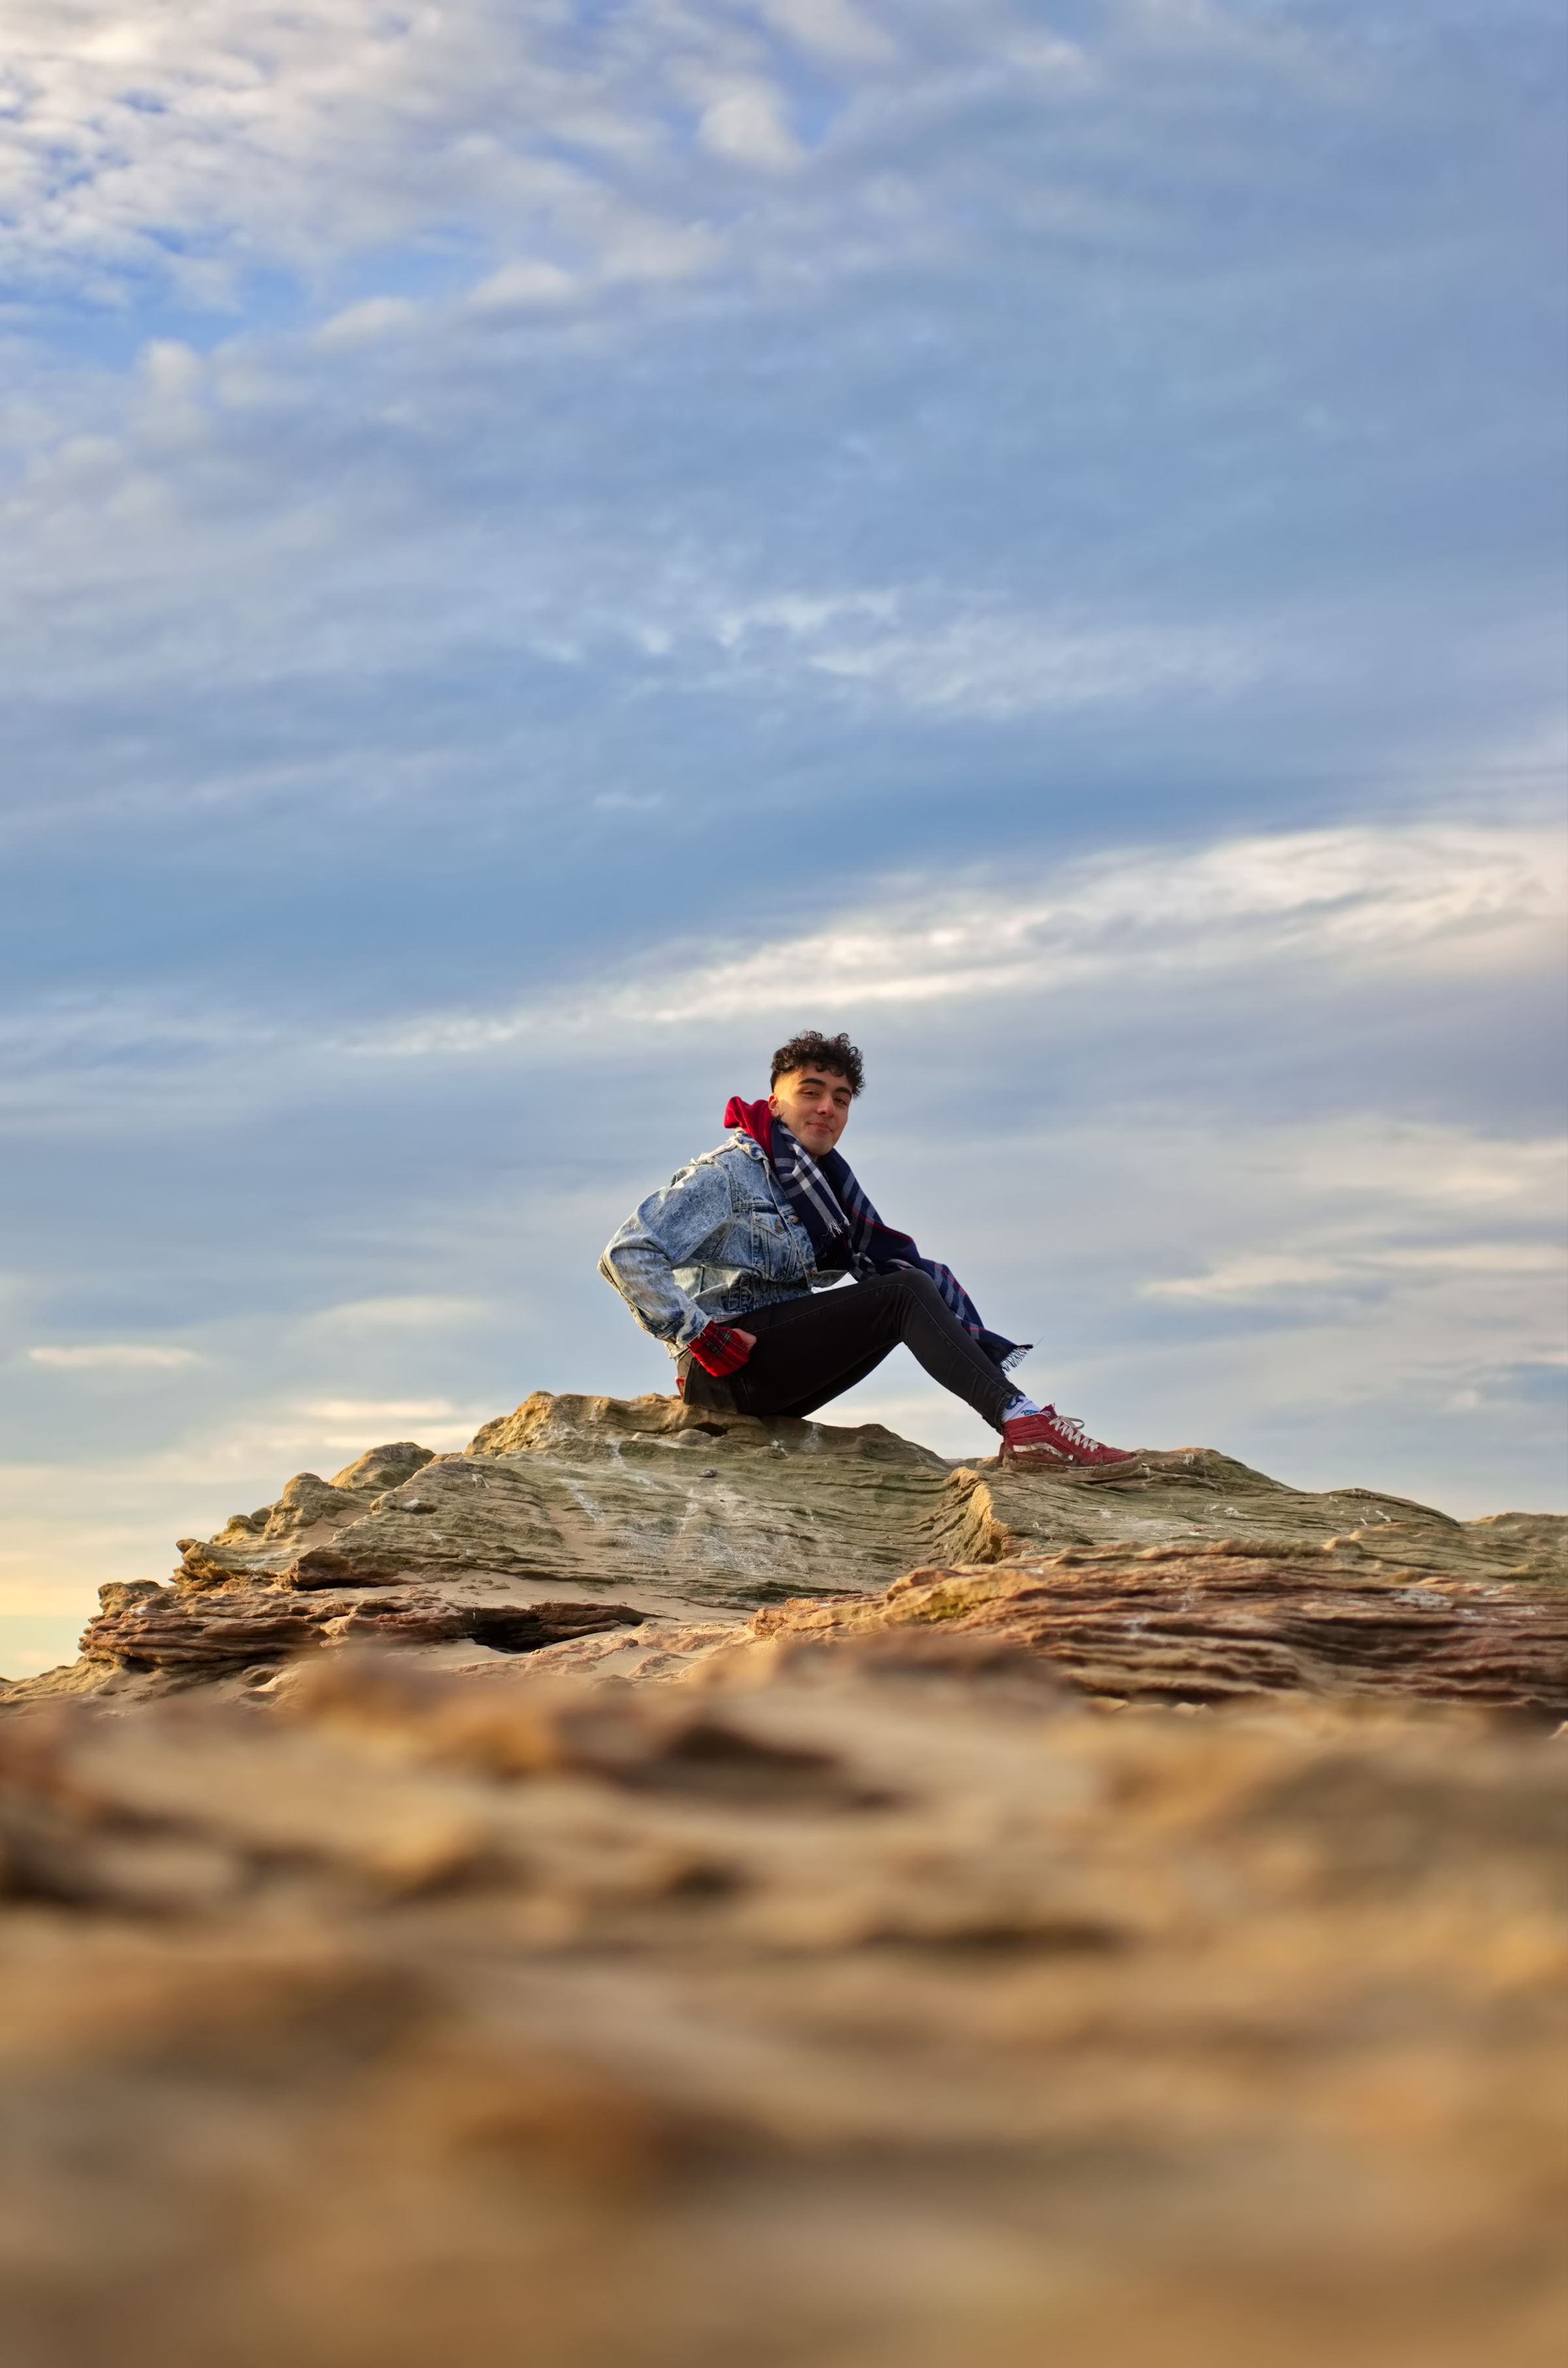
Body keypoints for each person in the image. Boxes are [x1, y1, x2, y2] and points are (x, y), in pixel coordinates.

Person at [598, 1029, 1131, 1467]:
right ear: (776, 1102)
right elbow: (626, 1252)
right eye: (810, 1092)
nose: (827, 1108)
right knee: (904, 1294)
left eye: (841, 1099)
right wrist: (700, 1336)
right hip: (724, 1370)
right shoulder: (730, 1172)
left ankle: (1024, 1422)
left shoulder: (819, 1184)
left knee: (901, 1294)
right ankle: (1023, 1422)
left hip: (765, 1369)